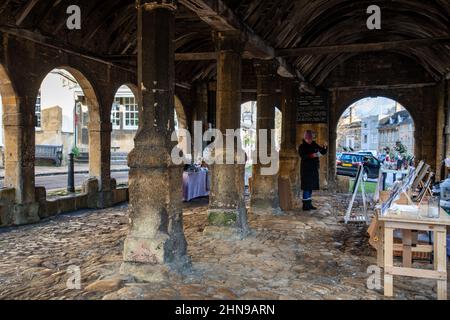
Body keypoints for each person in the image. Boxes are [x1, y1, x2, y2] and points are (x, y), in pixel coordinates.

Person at [298, 130, 328, 211]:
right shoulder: (302, 146)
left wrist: (325, 146)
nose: (310, 140)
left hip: (314, 169)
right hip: (306, 170)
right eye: (308, 138)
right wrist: (312, 155)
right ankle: (305, 205)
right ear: (305, 138)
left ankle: (309, 203)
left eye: (311, 138)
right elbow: (303, 156)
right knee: (306, 187)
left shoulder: (314, 144)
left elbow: (323, 152)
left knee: (311, 187)